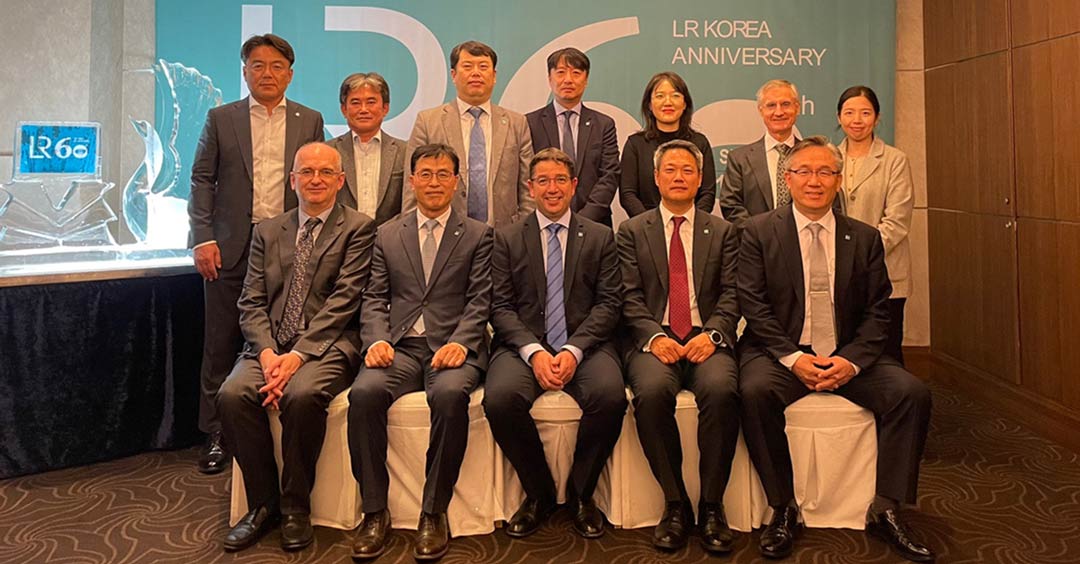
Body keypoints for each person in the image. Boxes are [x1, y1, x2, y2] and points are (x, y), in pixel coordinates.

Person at [737, 136, 934, 562]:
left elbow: (879, 313)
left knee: (911, 393)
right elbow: (753, 306)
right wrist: (794, 358)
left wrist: (850, 361)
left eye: (825, 172)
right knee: (753, 392)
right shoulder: (757, 232)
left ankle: (887, 507)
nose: (814, 181)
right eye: (804, 172)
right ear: (787, 179)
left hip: (847, 353)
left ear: (839, 180)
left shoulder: (863, 238)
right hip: (782, 353)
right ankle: (783, 507)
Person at [215, 142, 375, 553]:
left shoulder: (359, 227)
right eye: (306, 172)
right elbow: (250, 301)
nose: (316, 180)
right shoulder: (268, 230)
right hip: (268, 348)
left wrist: (297, 357)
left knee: (302, 395)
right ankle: (262, 504)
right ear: (292, 180)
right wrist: (268, 353)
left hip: (327, 346)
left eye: (325, 172)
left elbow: (345, 301)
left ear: (341, 180)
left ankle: (295, 507)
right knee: (232, 395)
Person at [188, 33, 325, 475]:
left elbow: (314, 180)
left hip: (287, 244)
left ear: (290, 72)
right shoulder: (221, 118)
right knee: (221, 339)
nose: (267, 74)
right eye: (258, 66)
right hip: (228, 247)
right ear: (244, 71)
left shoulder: (310, 120)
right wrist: (202, 237)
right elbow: (201, 179)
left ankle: (272, 424)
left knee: (281, 335)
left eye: (277, 66)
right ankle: (216, 433)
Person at [348, 144, 493, 561]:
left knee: (449, 397)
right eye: (425, 174)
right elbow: (374, 296)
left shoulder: (478, 234)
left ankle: (434, 511)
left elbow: (480, 299)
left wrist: (461, 342)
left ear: (456, 181)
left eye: (443, 174)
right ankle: (375, 511)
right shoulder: (388, 233)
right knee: (364, 394)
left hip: (453, 347)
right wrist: (376, 339)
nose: (433, 182)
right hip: (400, 347)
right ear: (411, 181)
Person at [484, 148, 626, 539]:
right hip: (523, 346)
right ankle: (540, 494)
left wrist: (572, 350)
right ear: (530, 187)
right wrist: (535, 352)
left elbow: (610, 303)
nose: (552, 188)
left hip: (586, 345)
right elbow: (500, 306)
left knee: (611, 396)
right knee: (499, 399)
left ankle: (582, 495)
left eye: (560, 180)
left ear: (574, 186)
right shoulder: (507, 238)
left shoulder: (599, 237)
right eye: (543, 180)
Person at [616, 140, 741, 553]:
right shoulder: (633, 230)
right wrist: (653, 336)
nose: (678, 177)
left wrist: (715, 334)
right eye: (670, 170)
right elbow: (628, 296)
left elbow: (732, 294)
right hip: (657, 336)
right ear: (656, 178)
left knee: (723, 391)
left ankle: (711, 505)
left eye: (687, 170)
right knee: (651, 393)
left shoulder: (722, 231)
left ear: (701, 179)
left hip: (707, 337)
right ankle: (674, 503)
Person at [404, 40, 534, 227]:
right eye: (467, 66)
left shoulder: (516, 123)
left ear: (494, 75)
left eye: (483, 67)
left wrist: (522, 231)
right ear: (454, 75)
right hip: (445, 234)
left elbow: (527, 188)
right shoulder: (428, 121)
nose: (476, 73)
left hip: (504, 234)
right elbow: (412, 188)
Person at [836, 85, 914, 365]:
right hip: (839, 272)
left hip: (886, 269)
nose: (857, 120)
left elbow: (897, 220)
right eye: (849, 112)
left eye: (865, 113)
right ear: (839, 117)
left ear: (877, 118)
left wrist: (861, 253)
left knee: (887, 352)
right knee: (848, 351)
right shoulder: (828, 158)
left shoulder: (895, 160)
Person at [525, 48, 620, 226]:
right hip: (543, 222)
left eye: (576, 73)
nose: (568, 79)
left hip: (595, 223)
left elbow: (610, 175)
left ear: (586, 80)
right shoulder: (529, 123)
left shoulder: (604, 124)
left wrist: (583, 220)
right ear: (549, 78)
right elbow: (526, 175)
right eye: (560, 72)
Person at [619, 72, 716, 218]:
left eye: (675, 95)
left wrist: (690, 222)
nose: (668, 102)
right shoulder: (636, 144)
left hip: (690, 228)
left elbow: (707, 193)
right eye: (660, 96)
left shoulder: (700, 142)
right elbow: (628, 193)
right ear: (650, 105)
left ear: (684, 104)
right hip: (646, 229)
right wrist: (651, 225)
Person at [719, 79, 801, 227]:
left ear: (797, 108)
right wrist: (758, 236)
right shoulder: (740, 159)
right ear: (761, 110)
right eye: (771, 105)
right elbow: (731, 205)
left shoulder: (812, 155)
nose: (779, 112)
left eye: (785, 104)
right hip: (754, 246)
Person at [327, 72, 406, 226]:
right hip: (339, 243)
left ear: (385, 108)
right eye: (355, 103)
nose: (363, 109)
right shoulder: (327, 152)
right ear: (344, 109)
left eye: (371, 102)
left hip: (390, 242)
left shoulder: (404, 151)